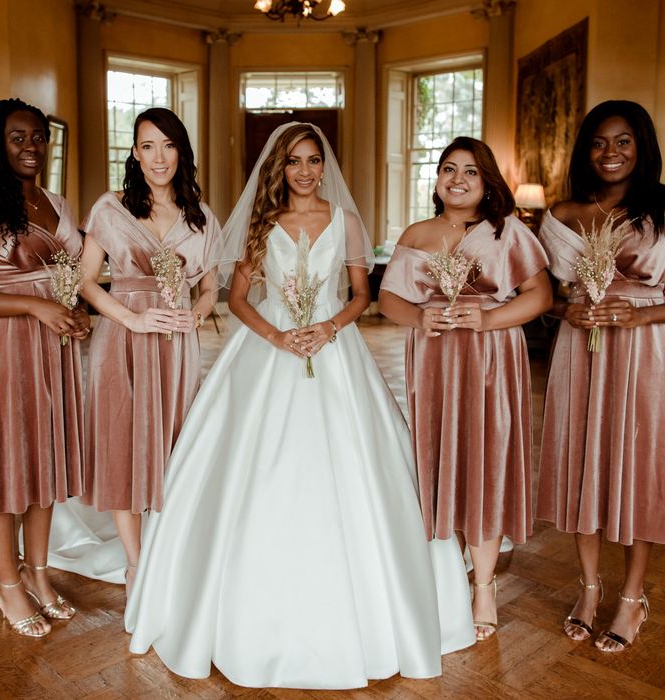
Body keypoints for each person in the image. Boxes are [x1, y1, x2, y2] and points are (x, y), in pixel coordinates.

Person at [124, 122, 475, 689]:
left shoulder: (348, 222)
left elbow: (363, 295)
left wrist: (327, 328)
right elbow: (237, 299)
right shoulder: (263, 225)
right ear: (279, 170)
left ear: (324, 165)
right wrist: (279, 338)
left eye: (314, 160)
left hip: (333, 347)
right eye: (294, 162)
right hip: (269, 348)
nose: (306, 171)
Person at [379, 136, 552, 641]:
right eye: (448, 169)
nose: (458, 179)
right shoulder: (418, 232)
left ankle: (483, 585)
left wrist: (489, 318)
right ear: (436, 179)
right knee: (440, 456)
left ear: (487, 181)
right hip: (433, 359)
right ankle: (444, 561)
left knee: (486, 459)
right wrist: (419, 315)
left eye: (471, 172)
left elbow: (540, 295)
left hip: (492, 357)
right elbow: (389, 300)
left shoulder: (509, 233)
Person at [0, 98, 89, 637]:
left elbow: (66, 273)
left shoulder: (57, 202)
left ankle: (37, 572)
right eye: (17, 138)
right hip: (4, 347)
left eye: (38, 137)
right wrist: (36, 305)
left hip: (53, 349)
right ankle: (6, 584)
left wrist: (70, 310)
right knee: (4, 466)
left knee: (42, 466)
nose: (31, 147)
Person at [537, 100, 665, 652]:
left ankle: (632, 596)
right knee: (581, 462)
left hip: (645, 350)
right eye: (598, 142)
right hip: (580, 351)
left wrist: (643, 313)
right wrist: (566, 311)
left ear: (642, 148)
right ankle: (589, 589)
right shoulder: (561, 214)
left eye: (623, 142)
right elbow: (539, 294)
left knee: (639, 467)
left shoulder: (663, 208)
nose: (610, 153)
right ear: (584, 150)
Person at [78, 108, 221, 594]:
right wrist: (134, 318)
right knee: (122, 441)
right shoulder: (110, 208)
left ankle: (168, 547)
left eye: (168, 145)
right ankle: (137, 564)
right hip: (121, 341)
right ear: (134, 153)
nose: (158, 157)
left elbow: (210, 288)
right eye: (147, 146)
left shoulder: (202, 219)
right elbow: (86, 284)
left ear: (182, 152)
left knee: (174, 444)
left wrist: (197, 313)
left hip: (177, 347)